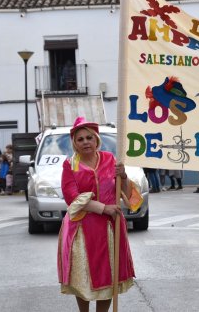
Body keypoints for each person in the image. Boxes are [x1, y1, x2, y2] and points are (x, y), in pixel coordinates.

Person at [57, 117, 135, 312]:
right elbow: (72, 199)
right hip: (81, 230)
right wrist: (103, 208)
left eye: (89, 138)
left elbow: (126, 192)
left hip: (109, 228)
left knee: (108, 279)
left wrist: (123, 176)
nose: (85, 142)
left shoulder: (110, 159)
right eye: (80, 139)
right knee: (82, 277)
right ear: (74, 143)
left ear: (96, 139)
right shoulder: (70, 165)